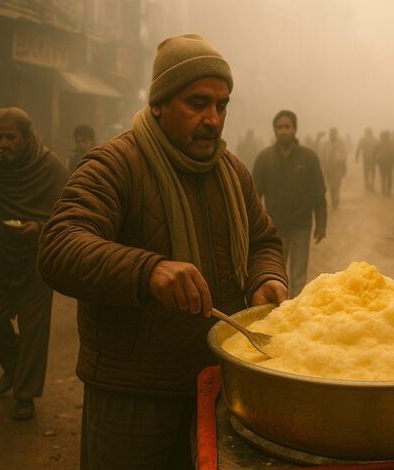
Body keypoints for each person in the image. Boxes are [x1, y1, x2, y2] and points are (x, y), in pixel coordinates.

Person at [37, 34, 288, 469]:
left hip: (217, 384)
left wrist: (266, 278)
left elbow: (263, 240)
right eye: (198, 103)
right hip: (132, 396)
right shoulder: (114, 164)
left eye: (222, 105)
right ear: (159, 104)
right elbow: (60, 246)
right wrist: (147, 270)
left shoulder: (232, 172)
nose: (213, 119)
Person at [0, 107, 68, 420]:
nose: (3, 144)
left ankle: (25, 395)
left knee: (33, 330)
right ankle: (15, 366)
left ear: (27, 136)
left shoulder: (52, 168)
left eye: (11, 137)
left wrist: (39, 229)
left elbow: (67, 216)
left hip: (35, 262)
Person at [253, 110, 327, 297]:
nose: (283, 131)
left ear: (294, 129)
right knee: (276, 274)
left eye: (287, 127)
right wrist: (255, 226)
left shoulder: (308, 157)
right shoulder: (264, 158)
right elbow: (254, 196)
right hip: (274, 228)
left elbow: (319, 193)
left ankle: (296, 310)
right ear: (274, 130)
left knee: (298, 276)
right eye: (279, 127)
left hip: (301, 225)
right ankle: (279, 310)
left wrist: (321, 223)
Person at [319, 127, 348, 210]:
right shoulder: (325, 144)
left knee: (337, 185)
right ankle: (333, 200)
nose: (332, 135)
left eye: (334, 133)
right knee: (331, 186)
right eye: (331, 133)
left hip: (337, 168)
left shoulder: (340, 144)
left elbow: (345, 156)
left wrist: (339, 160)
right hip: (328, 168)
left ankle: (336, 201)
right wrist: (323, 165)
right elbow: (321, 156)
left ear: (336, 134)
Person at [374, 130, 394, 196]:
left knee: (384, 177)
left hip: (383, 163)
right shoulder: (391, 143)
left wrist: (376, 160)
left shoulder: (380, 143)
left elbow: (375, 153)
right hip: (387, 163)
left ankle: (384, 191)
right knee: (388, 177)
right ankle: (387, 191)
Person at [354, 127, 378, 191]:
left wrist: (356, 157)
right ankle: (369, 184)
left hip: (371, 158)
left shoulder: (369, 139)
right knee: (369, 171)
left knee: (369, 171)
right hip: (368, 158)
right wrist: (356, 157)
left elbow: (358, 148)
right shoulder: (369, 139)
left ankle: (369, 184)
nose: (368, 134)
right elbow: (358, 148)